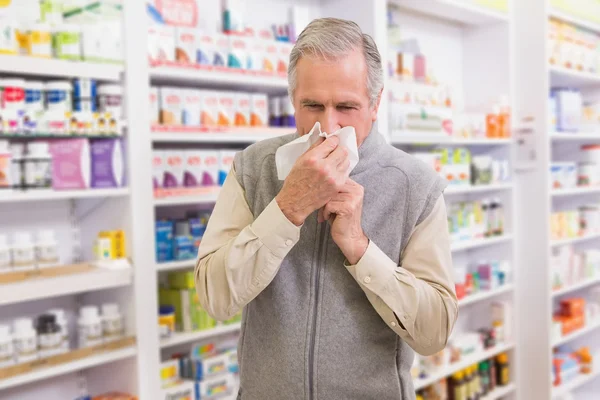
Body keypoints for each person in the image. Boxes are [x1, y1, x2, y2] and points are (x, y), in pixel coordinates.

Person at [195, 17, 457, 400]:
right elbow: (214, 297)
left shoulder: (416, 186)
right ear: (292, 99)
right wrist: (287, 208)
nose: (327, 126)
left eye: (346, 107)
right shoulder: (252, 168)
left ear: (375, 103)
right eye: (312, 105)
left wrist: (360, 247)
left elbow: (434, 332)